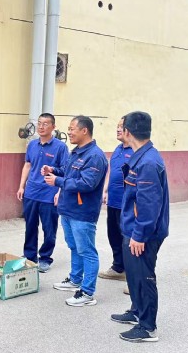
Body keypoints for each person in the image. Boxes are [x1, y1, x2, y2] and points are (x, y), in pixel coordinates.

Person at [110, 111, 169, 343]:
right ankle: (136, 311)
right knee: (134, 275)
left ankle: (147, 327)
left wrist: (139, 235)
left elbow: (149, 204)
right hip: (134, 229)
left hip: (143, 233)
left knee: (143, 277)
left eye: (121, 127)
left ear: (127, 132)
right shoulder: (141, 156)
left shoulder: (148, 163)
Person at [42, 115, 107, 306]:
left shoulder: (95, 156)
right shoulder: (77, 152)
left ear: (84, 131)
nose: (69, 132)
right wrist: (53, 170)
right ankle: (75, 279)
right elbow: (68, 172)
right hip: (68, 209)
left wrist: (57, 181)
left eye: (72, 129)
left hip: (83, 213)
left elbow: (87, 183)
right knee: (74, 247)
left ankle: (87, 293)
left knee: (87, 250)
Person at [17, 113, 68, 273]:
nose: (41, 126)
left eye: (45, 124)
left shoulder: (60, 147)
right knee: (30, 226)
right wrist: (21, 186)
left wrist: (59, 191)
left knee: (49, 228)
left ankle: (45, 258)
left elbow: (65, 170)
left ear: (53, 127)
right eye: (39, 123)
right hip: (31, 192)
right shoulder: (32, 145)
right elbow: (27, 165)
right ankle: (29, 256)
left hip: (49, 194)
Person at [99, 117, 133, 282]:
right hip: (113, 201)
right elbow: (112, 171)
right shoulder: (118, 149)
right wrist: (105, 190)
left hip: (127, 204)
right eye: (117, 126)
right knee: (113, 235)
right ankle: (118, 267)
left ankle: (132, 274)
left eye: (122, 126)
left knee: (127, 238)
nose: (118, 129)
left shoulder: (136, 151)